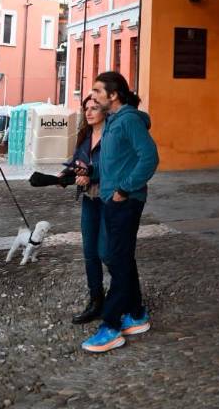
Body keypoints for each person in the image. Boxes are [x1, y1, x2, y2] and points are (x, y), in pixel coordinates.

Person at [81, 72, 159, 353]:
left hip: (124, 201)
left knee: (117, 258)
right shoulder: (114, 121)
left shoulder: (127, 120)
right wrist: (89, 173)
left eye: (97, 91)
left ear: (113, 95)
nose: (93, 96)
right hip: (111, 201)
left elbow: (149, 157)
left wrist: (124, 190)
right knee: (121, 257)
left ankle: (111, 326)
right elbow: (114, 163)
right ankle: (136, 314)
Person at [67, 96, 108, 325]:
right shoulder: (84, 136)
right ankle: (96, 300)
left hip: (109, 198)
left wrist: (90, 173)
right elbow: (76, 161)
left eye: (95, 108)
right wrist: (70, 172)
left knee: (108, 252)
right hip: (90, 199)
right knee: (90, 252)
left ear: (105, 110)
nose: (89, 112)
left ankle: (124, 296)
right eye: (86, 108)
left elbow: (112, 165)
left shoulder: (112, 136)